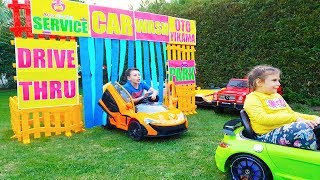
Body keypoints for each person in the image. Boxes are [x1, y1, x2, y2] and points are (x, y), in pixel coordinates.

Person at [243, 65, 320, 150]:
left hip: (282, 130)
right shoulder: (253, 98)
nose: (278, 84)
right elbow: (262, 118)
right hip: (266, 135)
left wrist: (314, 117)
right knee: (301, 129)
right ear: (259, 82)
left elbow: (291, 113)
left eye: (278, 80)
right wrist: (293, 118)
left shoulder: (277, 96)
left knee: (317, 125)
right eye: (274, 80)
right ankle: (311, 158)